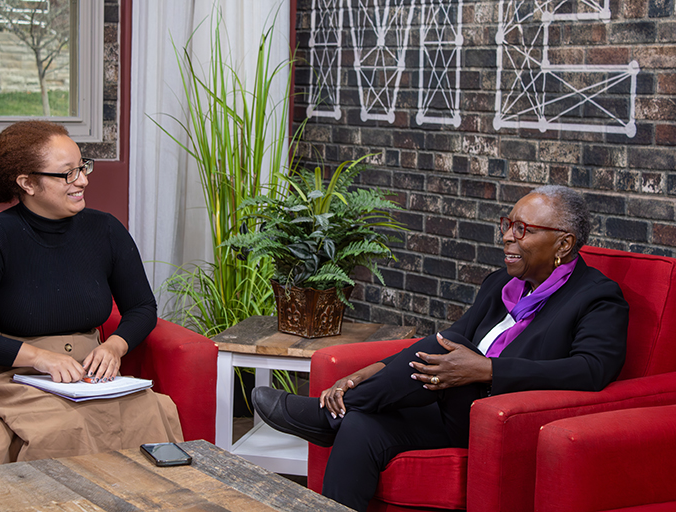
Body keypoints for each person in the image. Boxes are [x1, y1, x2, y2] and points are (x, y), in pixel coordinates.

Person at [251, 185, 628, 511]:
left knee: (451, 347)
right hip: (451, 406)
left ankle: (325, 416)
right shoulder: (501, 282)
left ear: (563, 242)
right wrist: (373, 369)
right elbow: (453, 335)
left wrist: (487, 370)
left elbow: (592, 370)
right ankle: (346, 416)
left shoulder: (597, 297)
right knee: (362, 426)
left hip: (505, 420)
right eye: (507, 224)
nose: (508, 237)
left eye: (523, 229)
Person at [0, 120, 182, 464]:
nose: (83, 180)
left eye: (82, 167)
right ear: (27, 183)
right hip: (15, 374)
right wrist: (39, 358)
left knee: (148, 412)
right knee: (64, 426)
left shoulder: (106, 229)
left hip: (89, 375)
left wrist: (114, 346)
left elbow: (142, 306)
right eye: (67, 173)